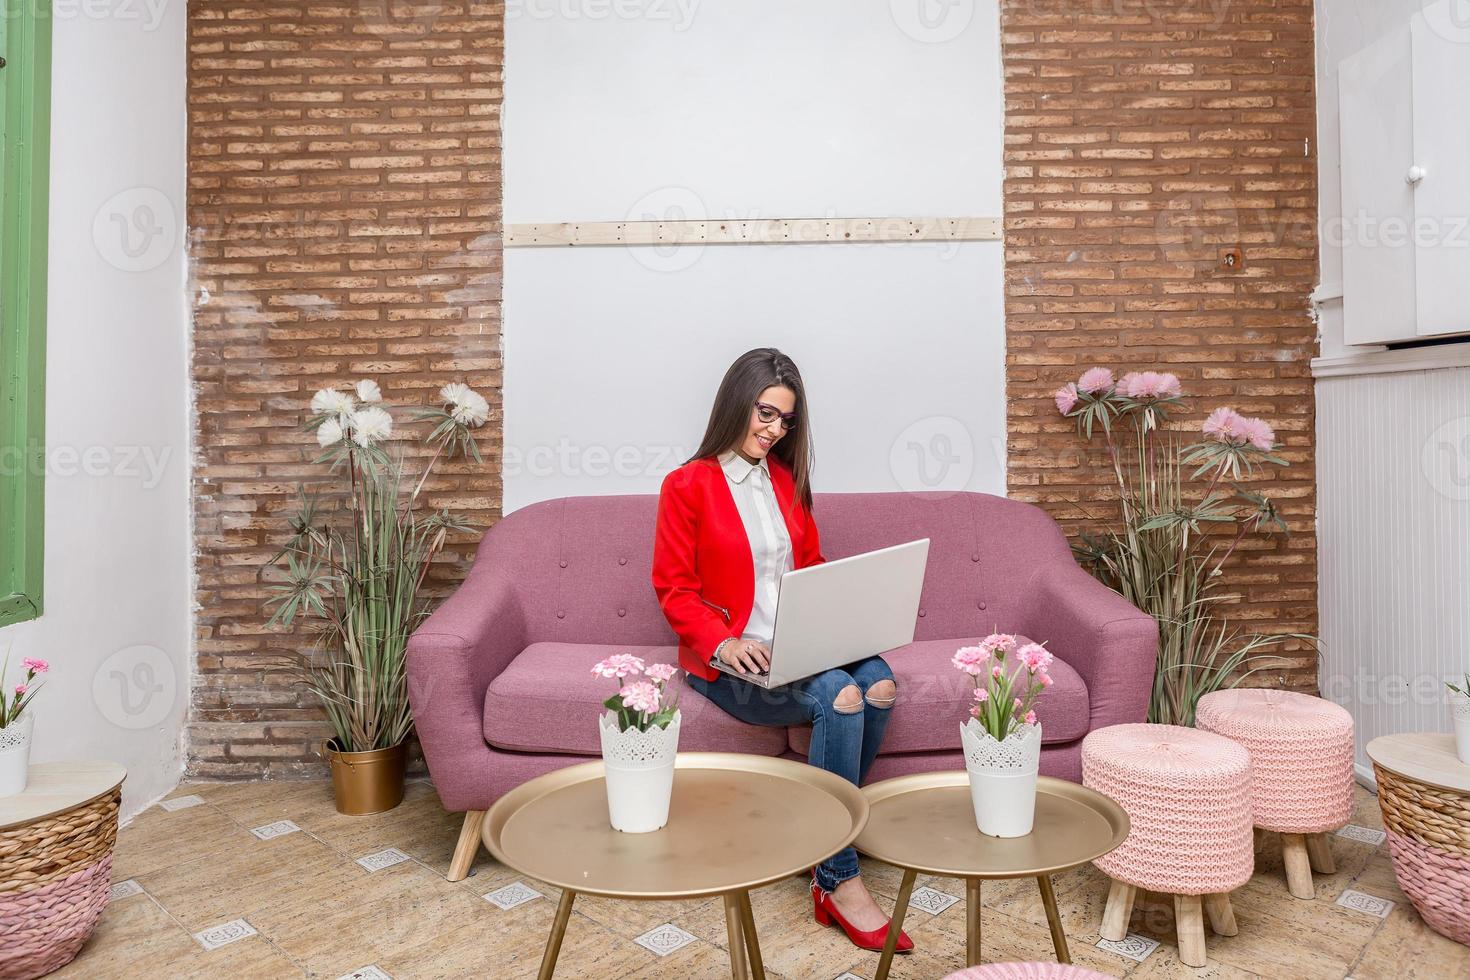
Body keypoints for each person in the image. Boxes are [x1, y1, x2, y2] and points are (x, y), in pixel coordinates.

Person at [650, 347, 912, 955]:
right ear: (736, 404)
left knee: (880, 685)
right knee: (839, 696)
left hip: (804, 641)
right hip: (733, 662)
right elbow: (673, 588)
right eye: (765, 414)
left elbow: (810, 568)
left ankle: (815, 835)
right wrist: (723, 641)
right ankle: (836, 875)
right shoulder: (687, 484)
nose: (774, 431)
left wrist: (848, 614)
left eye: (785, 421)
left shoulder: (787, 481)